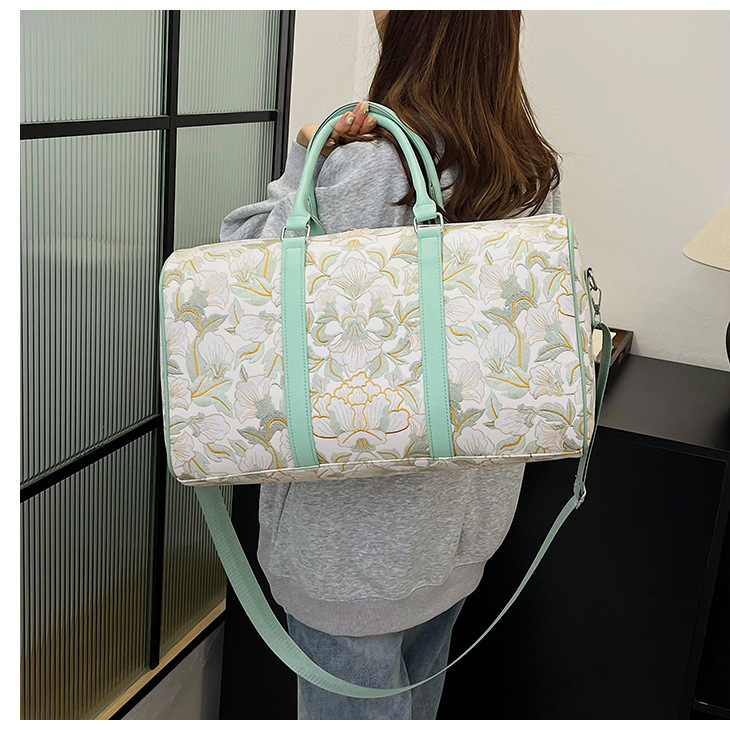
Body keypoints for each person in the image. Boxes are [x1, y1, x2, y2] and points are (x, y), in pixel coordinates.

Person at [219, 10, 562, 721]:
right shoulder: (527, 172)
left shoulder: (367, 167)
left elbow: (240, 277)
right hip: (462, 529)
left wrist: (307, 159)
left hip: (350, 551)